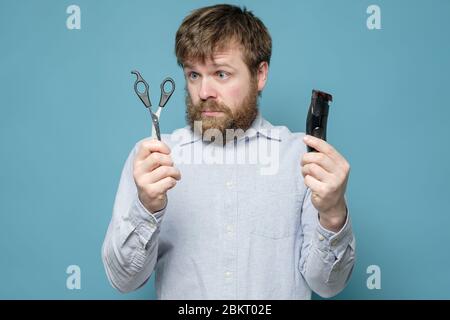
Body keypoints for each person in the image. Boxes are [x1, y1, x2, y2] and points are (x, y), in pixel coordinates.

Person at [102, 4, 355, 299]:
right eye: (194, 74)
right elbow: (123, 281)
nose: (204, 91)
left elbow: (328, 285)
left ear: (260, 74)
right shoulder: (153, 160)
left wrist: (334, 214)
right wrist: (146, 207)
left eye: (221, 74)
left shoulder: (303, 159)